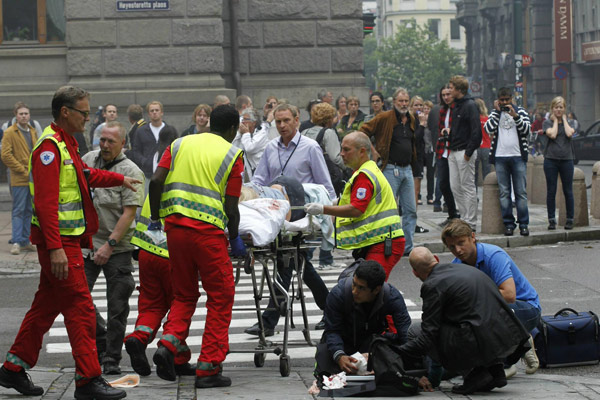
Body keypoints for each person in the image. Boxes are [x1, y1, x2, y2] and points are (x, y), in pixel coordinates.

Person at [0, 86, 141, 399]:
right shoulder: (50, 148)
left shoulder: (66, 143)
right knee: (80, 307)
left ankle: (12, 369)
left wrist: (119, 178)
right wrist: (56, 249)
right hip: (61, 244)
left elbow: (84, 175)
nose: (87, 117)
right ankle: (87, 380)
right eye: (83, 112)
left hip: (66, 242)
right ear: (66, 112)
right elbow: (46, 205)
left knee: (45, 306)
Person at [147, 104, 246, 388]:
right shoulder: (232, 154)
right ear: (232, 129)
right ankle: (208, 368)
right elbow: (231, 205)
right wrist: (235, 236)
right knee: (221, 295)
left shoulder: (179, 143)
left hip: (175, 229)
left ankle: (169, 344)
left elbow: (155, 181)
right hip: (207, 233)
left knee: (184, 293)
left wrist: (156, 217)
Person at [245, 103, 334, 336]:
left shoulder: (310, 147)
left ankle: (269, 319)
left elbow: (325, 186)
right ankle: (331, 310)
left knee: (289, 262)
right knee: (299, 265)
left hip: (300, 216)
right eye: (278, 121)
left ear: (297, 120)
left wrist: (329, 217)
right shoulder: (271, 147)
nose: (282, 125)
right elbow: (259, 180)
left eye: (286, 120)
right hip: (276, 214)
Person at [400, 247, 530, 395]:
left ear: (415, 272)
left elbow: (429, 333)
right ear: (436, 258)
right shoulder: (464, 269)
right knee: (463, 323)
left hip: (480, 338)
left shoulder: (432, 285)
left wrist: (399, 352)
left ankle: (474, 375)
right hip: (506, 333)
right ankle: (495, 371)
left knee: (421, 331)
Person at [81, 121, 145, 375]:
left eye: (110, 141)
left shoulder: (132, 171)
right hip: (87, 244)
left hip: (117, 247)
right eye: (102, 140)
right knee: (78, 297)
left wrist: (109, 245)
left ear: (123, 145)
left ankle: (111, 358)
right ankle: (100, 337)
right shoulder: (87, 160)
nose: (105, 145)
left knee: (117, 305)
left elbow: (128, 214)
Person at [441, 219, 541, 377]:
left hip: (526, 308)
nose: (458, 250)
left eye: (461, 243)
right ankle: (521, 343)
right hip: (498, 309)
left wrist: (476, 296)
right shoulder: (457, 265)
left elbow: (509, 295)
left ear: (472, 237)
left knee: (489, 314)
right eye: (452, 247)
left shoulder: (494, 255)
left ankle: (506, 363)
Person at [304, 131, 404, 279]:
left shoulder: (364, 175)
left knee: (370, 288)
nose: (341, 154)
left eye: (346, 149)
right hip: (381, 240)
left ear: (362, 151)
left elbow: (356, 209)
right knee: (368, 288)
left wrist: (323, 209)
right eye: (341, 149)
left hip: (383, 242)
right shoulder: (366, 170)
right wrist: (333, 204)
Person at [314, 260, 411, 378]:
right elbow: (332, 330)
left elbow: (405, 334)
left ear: (376, 290)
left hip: (372, 345)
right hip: (343, 342)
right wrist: (339, 356)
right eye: (354, 284)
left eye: (361, 288)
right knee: (325, 372)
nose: (354, 291)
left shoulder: (392, 297)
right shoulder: (338, 294)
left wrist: (408, 371)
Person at [360, 87, 420, 256]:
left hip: (407, 168)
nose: (404, 104)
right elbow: (364, 130)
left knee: (410, 210)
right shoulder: (385, 117)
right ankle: (386, 244)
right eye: (400, 101)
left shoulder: (411, 119)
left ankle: (407, 247)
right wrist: (373, 150)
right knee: (388, 211)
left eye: (406, 101)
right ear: (394, 102)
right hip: (390, 168)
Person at [484, 88, 531, 236]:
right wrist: (497, 112)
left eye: (507, 100)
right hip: (500, 157)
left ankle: (523, 224)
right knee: (504, 193)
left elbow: (527, 131)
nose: (505, 103)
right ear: (498, 100)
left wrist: (515, 116)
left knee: (521, 193)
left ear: (512, 99)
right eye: (502, 100)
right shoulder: (494, 113)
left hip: (518, 156)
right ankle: (509, 224)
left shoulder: (521, 111)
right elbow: (487, 129)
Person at [1, 102, 38, 255]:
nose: (24, 116)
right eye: (21, 114)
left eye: (26, 113)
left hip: (32, 178)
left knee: (29, 210)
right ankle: (16, 241)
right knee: (18, 210)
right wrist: (21, 169)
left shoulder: (32, 131)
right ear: (16, 115)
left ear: (29, 115)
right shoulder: (10, 132)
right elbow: (5, 155)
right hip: (19, 177)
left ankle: (25, 240)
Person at [448, 75, 481, 231]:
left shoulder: (470, 105)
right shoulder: (457, 105)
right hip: (454, 150)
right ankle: (464, 217)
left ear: (459, 89)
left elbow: (476, 132)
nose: (449, 90)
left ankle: (471, 221)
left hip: (464, 152)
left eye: (452, 87)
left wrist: (468, 152)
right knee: (455, 187)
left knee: (467, 187)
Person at [543, 96, 576, 230]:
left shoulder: (571, 122)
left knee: (568, 190)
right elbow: (553, 134)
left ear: (564, 109)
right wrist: (556, 121)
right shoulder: (547, 123)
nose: (558, 110)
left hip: (567, 160)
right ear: (552, 109)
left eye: (561, 107)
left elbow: (569, 134)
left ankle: (570, 219)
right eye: (556, 107)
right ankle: (551, 220)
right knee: (551, 190)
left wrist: (563, 120)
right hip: (551, 160)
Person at [435, 85, 460, 225]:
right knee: (443, 184)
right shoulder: (442, 110)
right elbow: (439, 129)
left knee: (457, 184)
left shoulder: (458, 109)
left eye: (448, 94)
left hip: (455, 150)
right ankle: (452, 214)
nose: (446, 97)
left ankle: (460, 214)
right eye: (443, 95)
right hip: (442, 150)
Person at [130, 101, 171, 182]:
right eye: (152, 111)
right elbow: (136, 151)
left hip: (166, 173)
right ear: (148, 114)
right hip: (147, 174)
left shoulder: (169, 130)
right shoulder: (141, 131)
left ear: (161, 112)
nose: (154, 113)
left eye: (157, 110)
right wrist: (144, 162)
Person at [232, 108, 270, 182]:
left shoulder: (262, 132)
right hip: (246, 170)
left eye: (246, 119)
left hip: (260, 170)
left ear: (254, 122)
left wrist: (246, 133)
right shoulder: (243, 132)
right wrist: (239, 133)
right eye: (242, 119)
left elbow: (250, 148)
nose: (243, 122)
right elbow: (233, 145)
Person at [474, 98, 491, 187]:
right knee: (487, 173)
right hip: (486, 146)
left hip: (475, 147)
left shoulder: (473, 119)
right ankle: (488, 193)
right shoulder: (487, 119)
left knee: (474, 174)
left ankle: (474, 194)